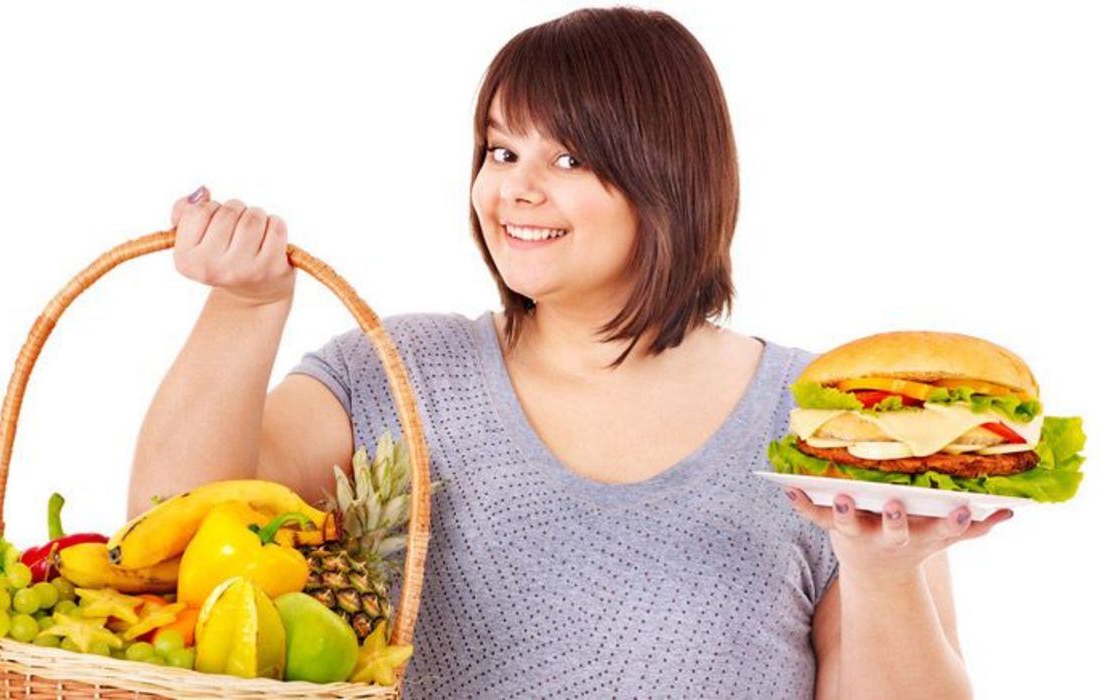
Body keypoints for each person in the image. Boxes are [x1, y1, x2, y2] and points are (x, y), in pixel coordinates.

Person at [128, 7, 1011, 698]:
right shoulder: (400, 374)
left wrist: (883, 573)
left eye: (569, 156)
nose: (515, 186)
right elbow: (166, 529)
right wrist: (246, 307)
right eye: (501, 148)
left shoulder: (812, 419)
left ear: (668, 176)